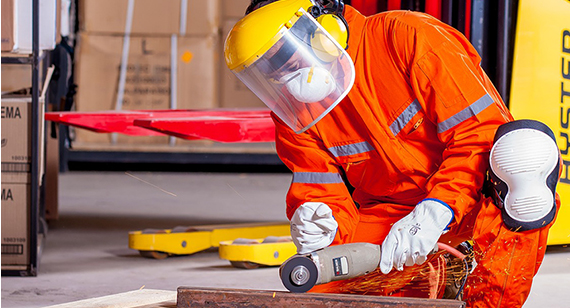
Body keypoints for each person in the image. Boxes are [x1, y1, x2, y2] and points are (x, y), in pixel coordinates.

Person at [224, 0, 562, 307]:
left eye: (283, 57)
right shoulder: (295, 112)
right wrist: (317, 218)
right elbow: (318, 184)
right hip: (395, 214)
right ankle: (444, 271)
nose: (282, 77)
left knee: (524, 156)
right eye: (268, 69)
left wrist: (437, 208)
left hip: (475, 196)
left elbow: (479, 135)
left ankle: (485, 303)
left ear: (322, 30)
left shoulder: (409, 37)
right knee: (317, 281)